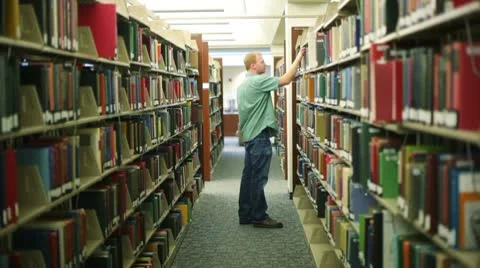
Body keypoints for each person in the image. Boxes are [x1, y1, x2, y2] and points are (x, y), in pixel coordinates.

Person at [237, 48, 306, 228]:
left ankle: (245, 214)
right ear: (253, 66)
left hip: (250, 136)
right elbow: (286, 79)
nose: (265, 63)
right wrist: (299, 57)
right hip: (259, 136)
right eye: (261, 61)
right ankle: (259, 216)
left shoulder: (242, 85)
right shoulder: (259, 81)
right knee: (259, 179)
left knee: (249, 176)